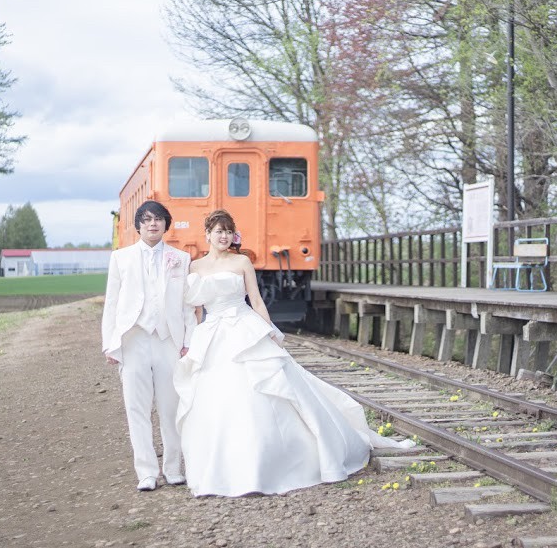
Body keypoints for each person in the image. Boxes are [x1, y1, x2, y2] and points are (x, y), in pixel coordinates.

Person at [173, 209, 413, 497]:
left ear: (232, 235)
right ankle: (222, 468)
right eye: (218, 231)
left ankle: (276, 461)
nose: (223, 236)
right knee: (217, 398)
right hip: (212, 334)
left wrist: (271, 331)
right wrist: (190, 342)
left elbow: (258, 302)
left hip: (243, 328)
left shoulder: (242, 261)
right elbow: (195, 310)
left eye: (227, 231)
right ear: (207, 235)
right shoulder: (195, 267)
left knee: (267, 391)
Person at [101, 201, 197, 491]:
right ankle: (146, 472)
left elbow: (187, 305)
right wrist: (110, 344)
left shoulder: (181, 258)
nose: (152, 224)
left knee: (171, 408)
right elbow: (112, 303)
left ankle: (173, 468)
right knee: (136, 408)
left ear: (166, 224)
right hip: (133, 339)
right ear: (138, 224)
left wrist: (188, 342)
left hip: (169, 339)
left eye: (158, 219)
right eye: (146, 219)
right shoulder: (121, 258)